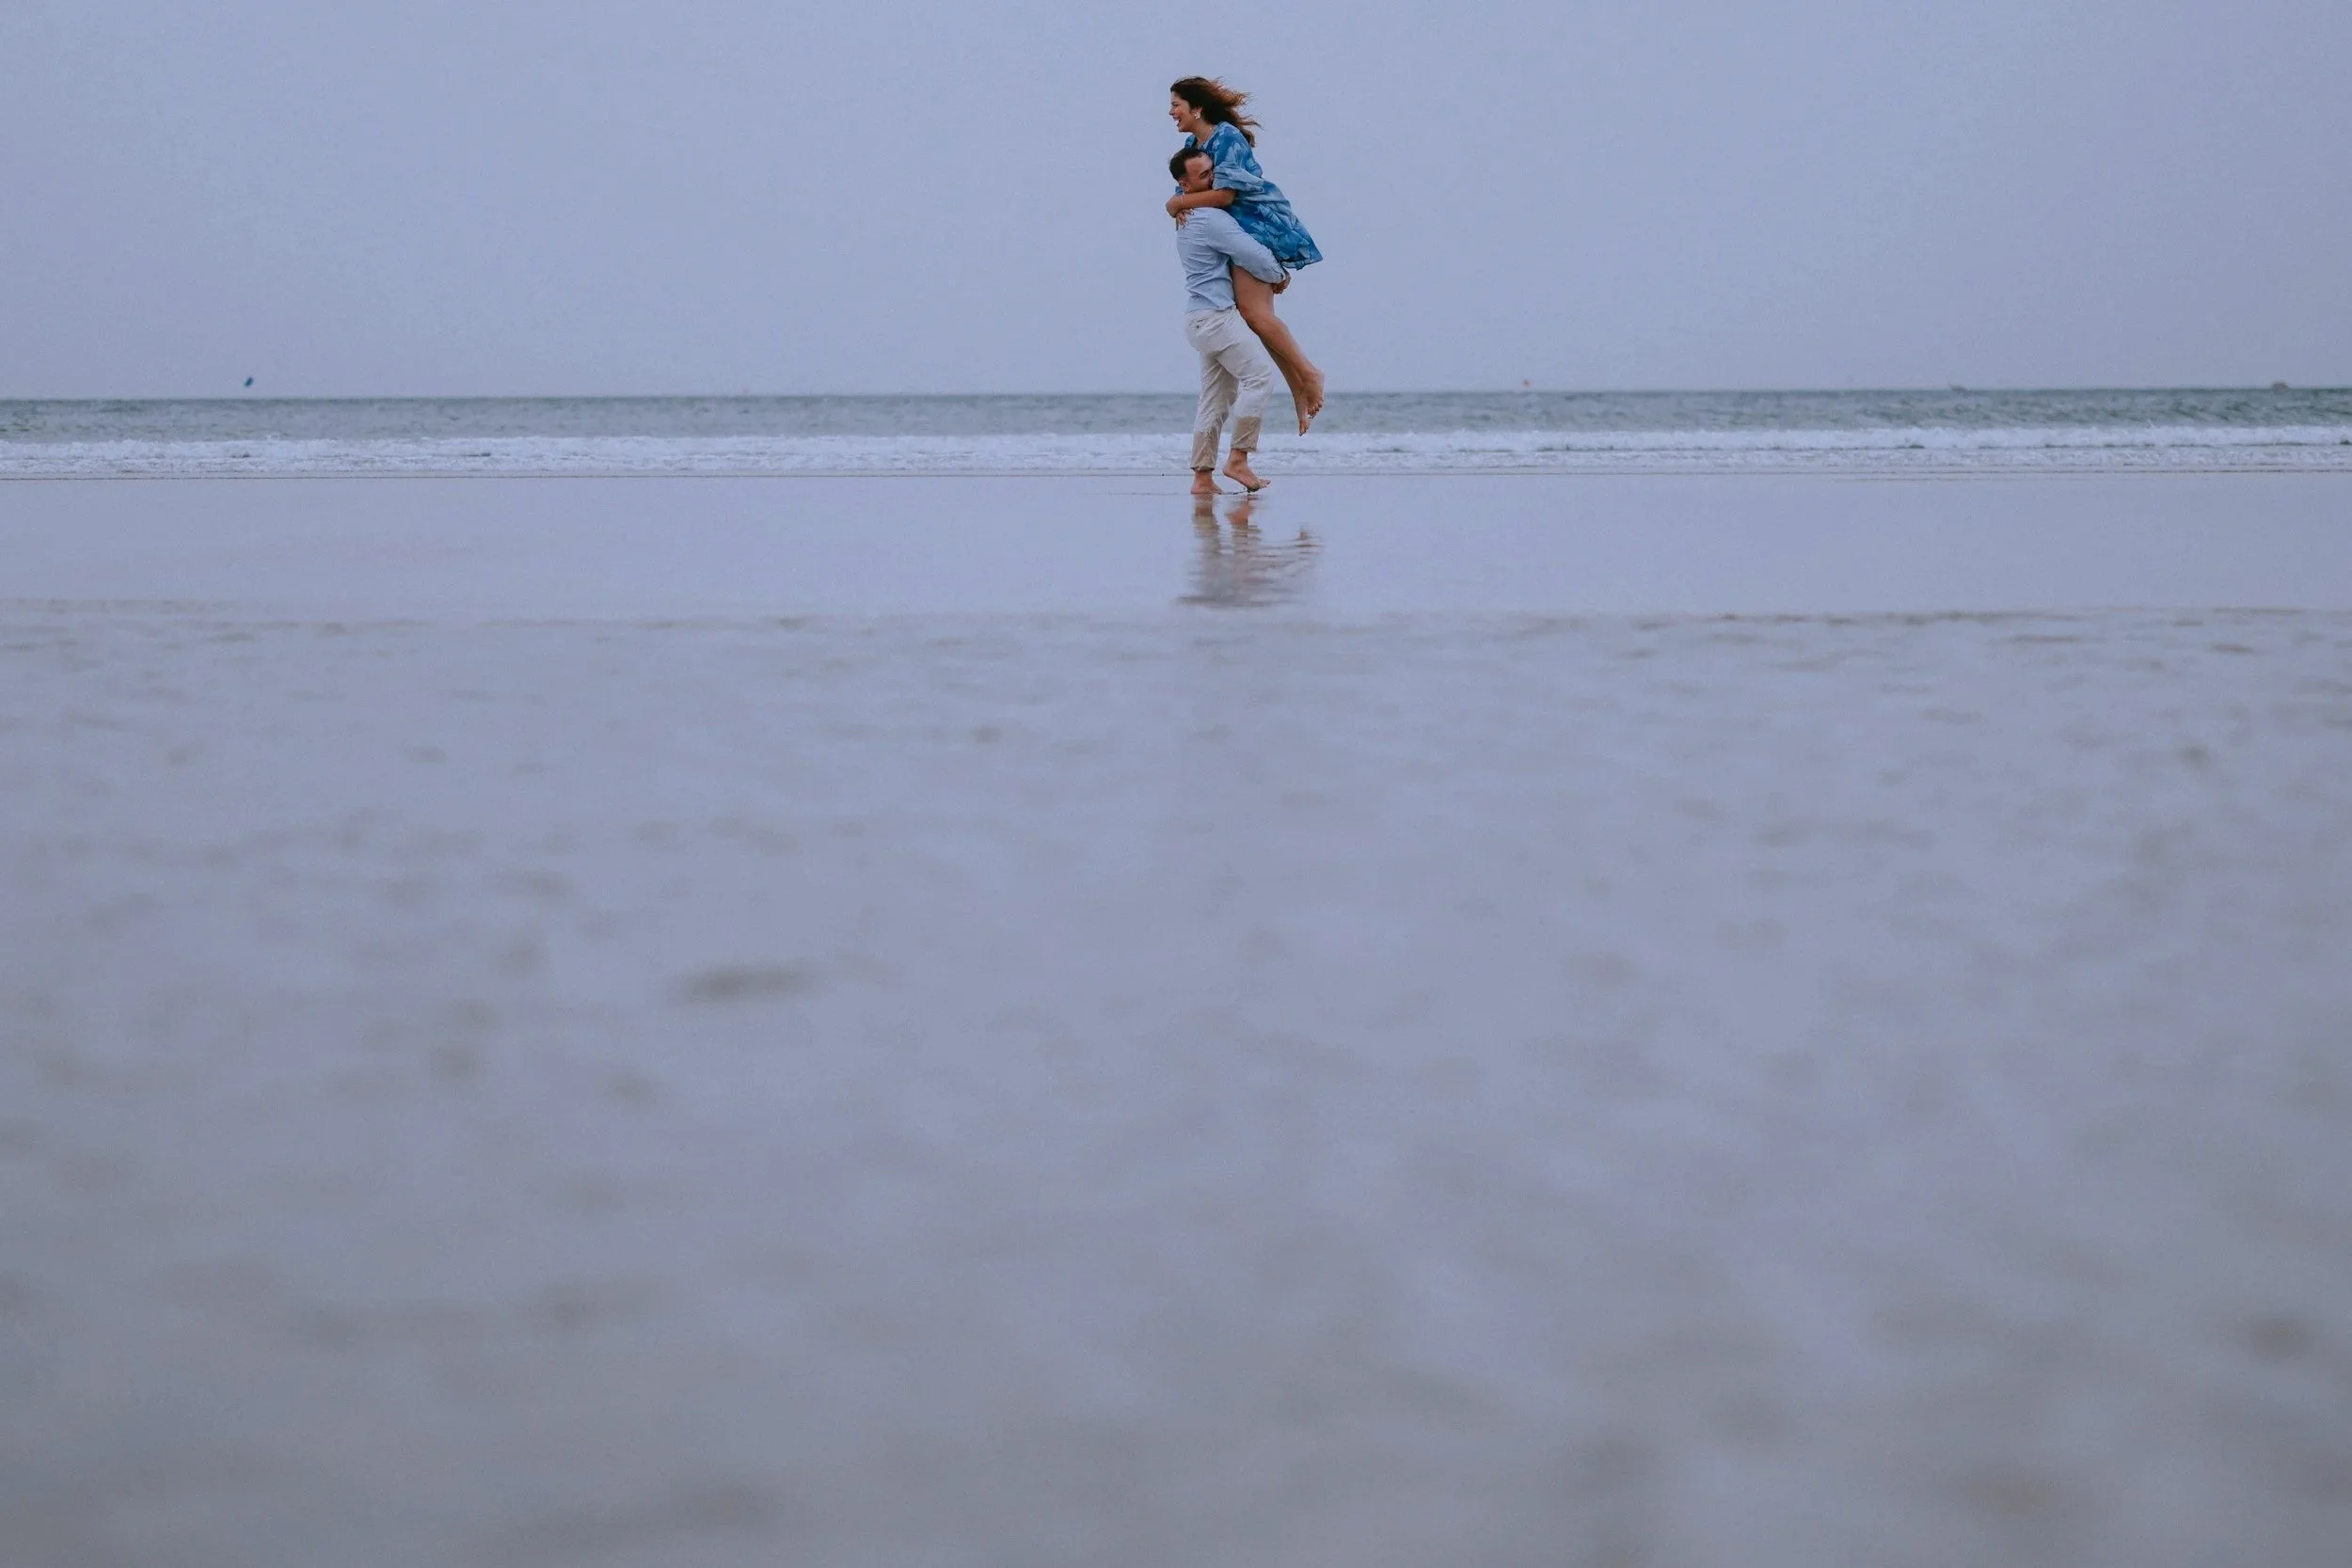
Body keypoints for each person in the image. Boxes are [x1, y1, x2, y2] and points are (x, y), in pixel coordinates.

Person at [1166, 77, 1327, 433]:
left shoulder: (1227, 138)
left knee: (1256, 315)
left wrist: (1177, 202)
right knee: (1258, 319)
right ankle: (1299, 389)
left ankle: (1309, 373)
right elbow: (1189, 189)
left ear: (1197, 108)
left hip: (1257, 226)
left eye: (1176, 104)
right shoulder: (1195, 144)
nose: (1171, 112)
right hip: (1230, 233)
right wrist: (1179, 201)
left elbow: (1225, 196)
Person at [1170, 146, 1286, 496]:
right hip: (1216, 318)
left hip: (1198, 319)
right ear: (1185, 185)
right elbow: (1253, 254)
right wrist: (1279, 275)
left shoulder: (1190, 215)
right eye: (1203, 175)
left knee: (1216, 398)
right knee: (1260, 378)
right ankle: (1238, 458)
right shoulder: (1209, 219)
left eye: (1212, 171)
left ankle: (1202, 478)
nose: (1212, 179)